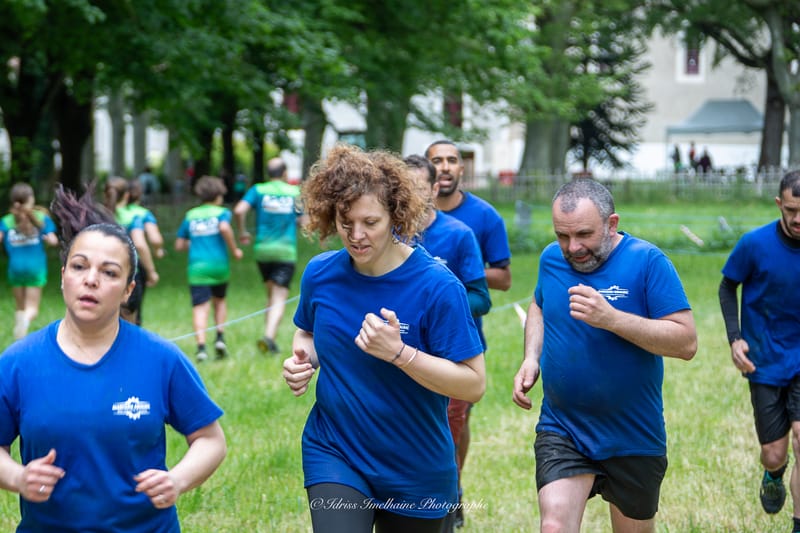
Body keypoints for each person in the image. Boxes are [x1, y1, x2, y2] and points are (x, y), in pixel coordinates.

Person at [282, 144, 485, 533]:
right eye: (345, 222)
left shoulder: (438, 287)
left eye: (370, 222)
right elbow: (307, 330)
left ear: (396, 215)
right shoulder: (320, 274)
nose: (356, 235)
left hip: (415, 463)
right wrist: (302, 359)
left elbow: (474, 383)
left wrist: (400, 354)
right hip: (336, 450)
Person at [0, 184, 226, 532]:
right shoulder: (18, 362)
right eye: (79, 267)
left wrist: (177, 480)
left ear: (128, 291)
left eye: (109, 273)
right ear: (63, 277)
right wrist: (18, 477)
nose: (91, 280)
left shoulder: (161, 359)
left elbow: (211, 440)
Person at [512, 178, 697, 532]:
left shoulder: (648, 261)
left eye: (584, 234)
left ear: (612, 224)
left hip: (633, 434)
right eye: (562, 235)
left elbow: (686, 342)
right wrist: (531, 358)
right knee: (554, 526)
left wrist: (611, 319)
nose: (573, 247)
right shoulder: (551, 259)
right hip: (564, 427)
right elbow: (539, 304)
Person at [425, 139, 511, 525]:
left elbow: (503, 279)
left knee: (455, 422)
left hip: (461, 341)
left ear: (462, 169)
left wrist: (451, 280)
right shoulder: (398, 219)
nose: (445, 166)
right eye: (437, 160)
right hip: (410, 340)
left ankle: (452, 491)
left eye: (451, 160)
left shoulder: (482, 217)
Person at [404, 154, 490, 531]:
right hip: (397, 358)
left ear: (434, 188)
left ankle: (447, 502)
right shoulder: (385, 234)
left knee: (444, 439)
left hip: (449, 358)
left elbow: (482, 297)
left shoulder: (458, 234)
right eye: (400, 188)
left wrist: (437, 307)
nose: (407, 195)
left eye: (416, 187)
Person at [718, 170, 800, 531]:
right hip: (764, 359)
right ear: (779, 204)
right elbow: (727, 287)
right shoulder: (754, 244)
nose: (798, 219)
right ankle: (774, 474)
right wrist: (735, 338)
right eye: (792, 210)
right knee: (774, 453)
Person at [233, 157, 302, 354]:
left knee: (271, 294)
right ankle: (269, 338)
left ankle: (268, 335)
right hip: (285, 251)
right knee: (279, 297)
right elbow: (304, 220)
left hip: (262, 251)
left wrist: (243, 232)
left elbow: (239, 210)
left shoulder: (258, 190)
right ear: (285, 173)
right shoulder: (294, 192)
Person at [176, 176, 243, 362]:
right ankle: (220, 337)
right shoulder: (222, 212)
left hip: (197, 268)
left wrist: (196, 243)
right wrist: (235, 250)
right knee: (219, 301)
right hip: (219, 265)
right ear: (218, 195)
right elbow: (224, 228)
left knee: (200, 307)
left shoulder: (191, 215)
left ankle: (201, 347)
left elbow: (179, 245)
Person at [0, 183, 59, 339]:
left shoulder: (6, 221)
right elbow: (53, 240)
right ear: (31, 199)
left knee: (20, 307)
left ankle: (19, 337)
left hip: (15, 268)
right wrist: (48, 239)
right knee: (31, 308)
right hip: (36, 268)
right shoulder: (40, 217)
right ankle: (25, 322)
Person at [104, 176, 159, 325]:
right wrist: (151, 271)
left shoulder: (98, 215)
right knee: (130, 320)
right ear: (127, 195)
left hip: (102, 273)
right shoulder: (133, 216)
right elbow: (140, 244)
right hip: (129, 273)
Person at [126, 179, 166, 259]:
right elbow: (155, 239)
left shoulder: (114, 212)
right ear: (140, 194)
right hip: (136, 260)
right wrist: (158, 250)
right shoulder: (144, 214)